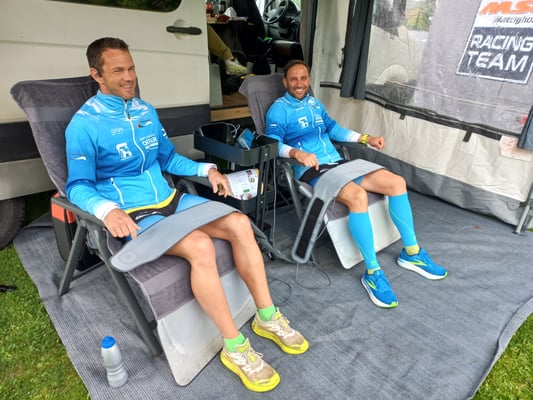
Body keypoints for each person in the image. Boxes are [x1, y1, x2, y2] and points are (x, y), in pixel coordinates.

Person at [65, 37, 308, 392]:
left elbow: (167, 158)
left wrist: (207, 170)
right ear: (96, 75)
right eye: (118, 71)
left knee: (240, 223)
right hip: (134, 213)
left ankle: (267, 317)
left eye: (131, 68)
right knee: (200, 246)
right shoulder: (83, 125)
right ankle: (234, 346)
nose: (129, 77)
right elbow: (77, 186)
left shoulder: (144, 110)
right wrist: (108, 210)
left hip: (170, 198)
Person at [265, 60, 447, 309]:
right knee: (358, 196)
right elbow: (270, 143)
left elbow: (334, 130)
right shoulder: (279, 109)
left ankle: (412, 253)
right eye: (294, 79)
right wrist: (296, 153)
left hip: (338, 163)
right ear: (285, 82)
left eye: (303, 78)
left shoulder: (315, 104)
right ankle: (373, 272)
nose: (299, 83)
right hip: (312, 170)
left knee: (397, 183)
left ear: (309, 80)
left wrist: (365, 139)